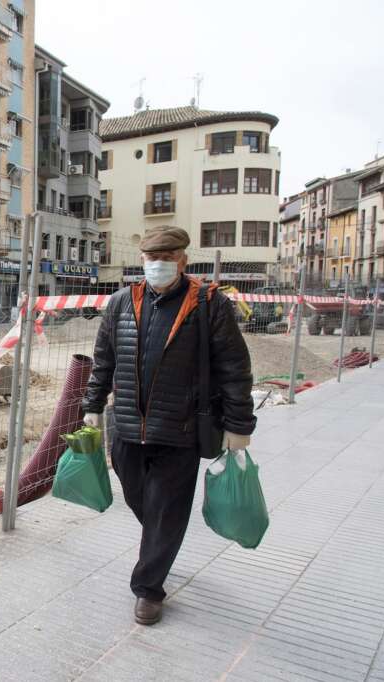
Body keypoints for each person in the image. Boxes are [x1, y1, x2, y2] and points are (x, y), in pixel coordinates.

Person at [82, 225, 255, 626]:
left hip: (180, 429)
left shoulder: (209, 305)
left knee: (166, 510)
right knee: (142, 501)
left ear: (182, 261)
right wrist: (92, 404)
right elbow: (103, 358)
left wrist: (239, 424)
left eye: (166, 259)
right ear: (142, 260)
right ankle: (161, 540)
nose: (157, 265)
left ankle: (149, 588)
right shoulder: (122, 302)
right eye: (150, 259)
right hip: (126, 427)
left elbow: (235, 368)